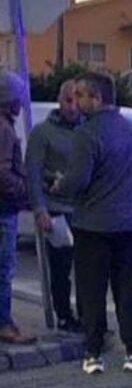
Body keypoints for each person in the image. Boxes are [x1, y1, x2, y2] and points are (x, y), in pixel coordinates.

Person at [54, 72, 132, 374]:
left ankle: (93, 353)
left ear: (97, 98)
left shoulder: (88, 134)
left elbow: (78, 180)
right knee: (126, 288)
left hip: (94, 224)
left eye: (81, 95)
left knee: (92, 289)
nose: (77, 101)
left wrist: (60, 185)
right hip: (130, 222)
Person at [24, 80, 83, 333]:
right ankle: (64, 316)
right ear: (60, 101)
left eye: (77, 100)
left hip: (84, 210)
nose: (73, 107)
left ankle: (88, 317)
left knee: (86, 269)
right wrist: (40, 209)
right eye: (68, 100)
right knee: (60, 269)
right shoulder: (42, 133)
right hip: (57, 210)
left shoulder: (87, 131)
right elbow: (33, 172)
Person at [0, 70, 35, 345]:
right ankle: (4, 324)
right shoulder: (3, 128)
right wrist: (26, 191)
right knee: (4, 268)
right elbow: (2, 173)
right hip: (4, 208)